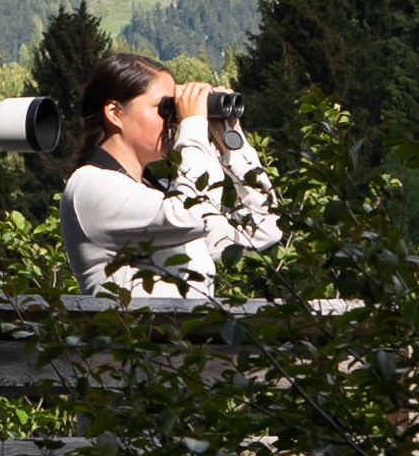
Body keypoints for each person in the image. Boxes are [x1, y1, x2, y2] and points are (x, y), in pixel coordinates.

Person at [58, 50, 283, 296]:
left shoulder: (161, 196)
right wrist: (194, 125)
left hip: (188, 334)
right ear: (115, 113)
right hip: (139, 334)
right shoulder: (90, 187)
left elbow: (261, 231)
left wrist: (231, 144)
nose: (174, 121)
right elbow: (188, 214)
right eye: (164, 108)